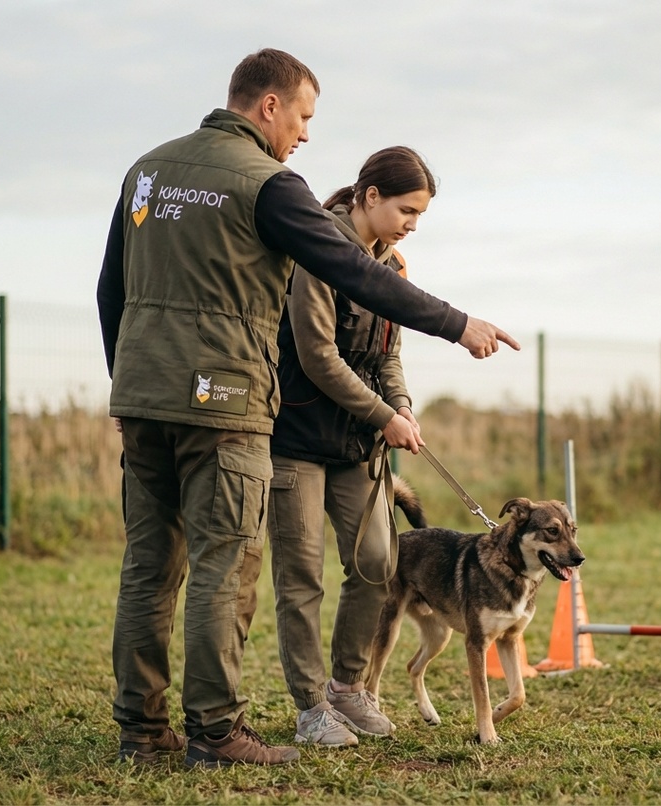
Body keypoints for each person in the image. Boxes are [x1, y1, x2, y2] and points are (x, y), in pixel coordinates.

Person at [95, 48, 519, 770]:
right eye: (304, 115)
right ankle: (216, 732)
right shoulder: (268, 183)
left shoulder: (148, 169)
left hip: (143, 399)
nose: (307, 134)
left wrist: (132, 384)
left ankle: (141, 730)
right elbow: (352, 268)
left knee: (147, 569)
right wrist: (457, 323)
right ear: (268, 106)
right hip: (223, 404)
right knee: (223, 569)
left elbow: (111, 289)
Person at [267, 146, 436, 747]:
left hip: (360, 444)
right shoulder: (317, 249)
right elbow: (317, 357)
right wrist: (384, 414)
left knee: (377, 564)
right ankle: (311, 707)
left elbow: (389, 352)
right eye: (406, 210)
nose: (412, 223)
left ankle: (348, 688)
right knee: (301, 577)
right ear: (368, 197)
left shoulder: (395, 267)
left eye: (419, 215)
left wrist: (404, 406)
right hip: (297, 438)